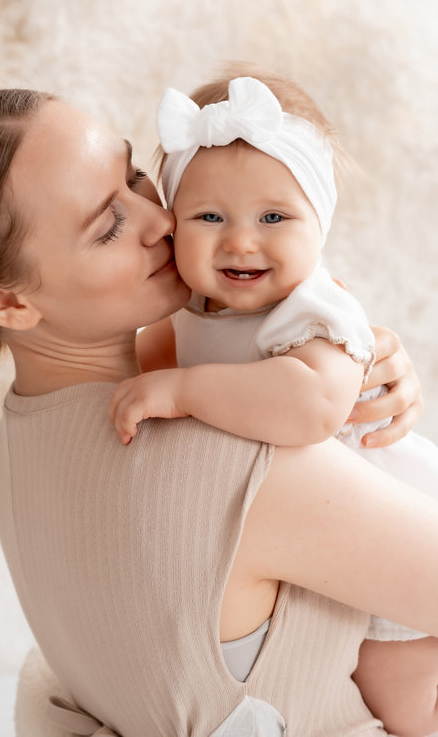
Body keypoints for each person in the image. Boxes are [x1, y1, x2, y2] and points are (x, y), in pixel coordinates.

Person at [0, 87, 438, 736]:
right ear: (6, 304)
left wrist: (341, 354)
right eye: (109, 225)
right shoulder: (242, 463)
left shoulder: (24, 434)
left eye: (134, 176)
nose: (162, 220)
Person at [108, 65, 438, 734]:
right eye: (208, 216)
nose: (241, 240)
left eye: (274, 216)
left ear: (320, 224)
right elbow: (131, 386)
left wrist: (183, 390)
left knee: (402, 696)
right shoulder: (190, 317)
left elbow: (310, 406)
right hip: (303, 546)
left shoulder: (317, 308)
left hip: (387, 523)